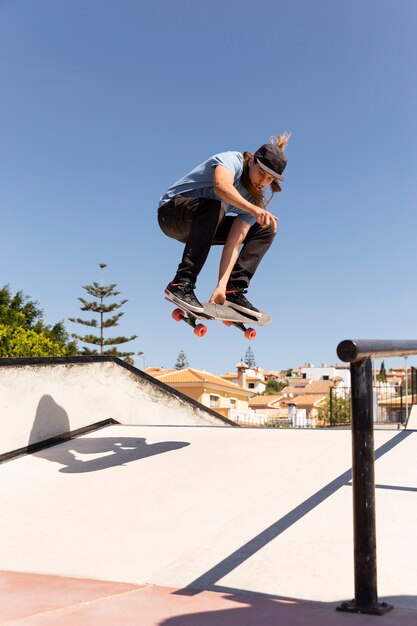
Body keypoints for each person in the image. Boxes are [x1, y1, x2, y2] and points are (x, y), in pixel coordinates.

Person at [158, 133, 290, 317]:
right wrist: (254, 209)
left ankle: (233, 291)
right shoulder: (232, 160)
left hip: (202, 228)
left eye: (269, 179)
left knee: (265, 227)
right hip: (171, 213)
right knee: (217, 204)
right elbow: (221, 186)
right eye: (261, 173)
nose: (263, 182)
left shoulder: (255, 200)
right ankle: (181, 283)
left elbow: (234, 243)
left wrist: (221, 285)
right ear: (251, 161)